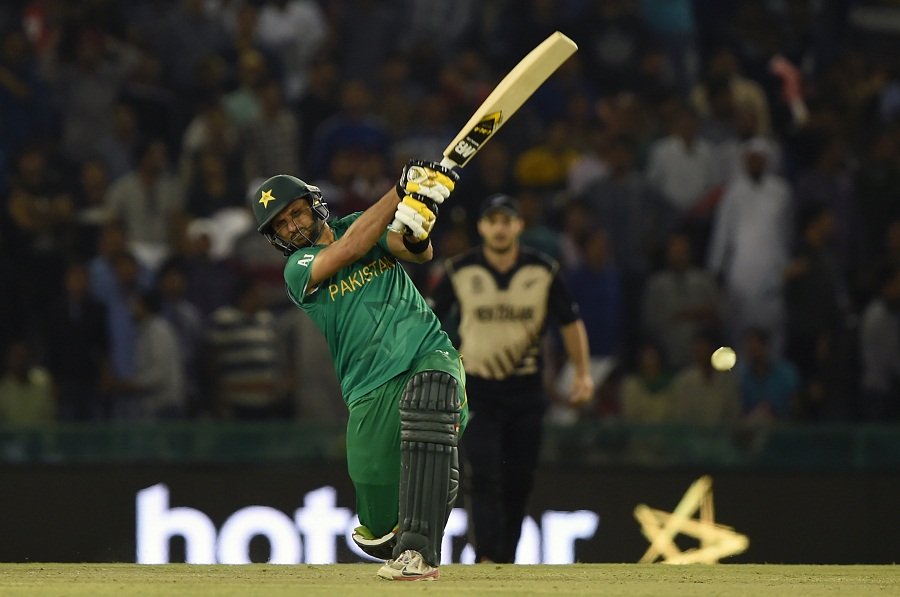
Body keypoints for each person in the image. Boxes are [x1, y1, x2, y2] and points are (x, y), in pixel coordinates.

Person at [249, 158, 466, 581]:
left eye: (296, 212)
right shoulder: (297, 270)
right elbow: (350, 250)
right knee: (381, 529)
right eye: (281, 225)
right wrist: (400, 191)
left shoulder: (358, 224)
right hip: (369, 391)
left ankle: (418, 556)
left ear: (314, 205)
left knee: (432, 393)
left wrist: (417, 229)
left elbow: (413, 250)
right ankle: (423, 501)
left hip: (429, 353)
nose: (293, 226)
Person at [429, 193, 594, 564]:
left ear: (519, 226)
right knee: (483, 474)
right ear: (481, 226)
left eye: (507, 221)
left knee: (519, 480)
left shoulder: (543, 270)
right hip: (477, 390)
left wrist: (582, 373)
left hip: (526, 390)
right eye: (493, 221)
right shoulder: (460, 270)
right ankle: (486, 555)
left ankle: (505, 557)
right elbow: (430, 320)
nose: (500, 228)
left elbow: (570, 321)